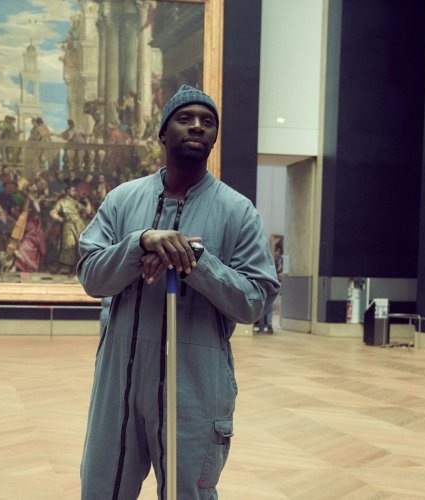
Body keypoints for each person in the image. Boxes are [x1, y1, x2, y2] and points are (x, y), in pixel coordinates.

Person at [76, 85, 279, 499]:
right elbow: (92, 276)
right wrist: (139, 244)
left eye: (208, 122)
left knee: (188, 493)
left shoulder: (237, 211)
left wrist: (197, 262)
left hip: (196, 386)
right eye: (185, 119)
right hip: (120, 383)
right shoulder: (122, 200)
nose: (197, 127)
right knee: (102, 490)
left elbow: (256, 301)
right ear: (163, 133)